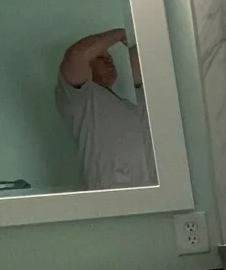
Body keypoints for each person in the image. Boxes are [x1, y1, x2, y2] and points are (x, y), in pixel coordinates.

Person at [54, 27, 156, 188]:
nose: (109, 60)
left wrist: (136, 39)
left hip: (150, 196)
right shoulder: (80, 99)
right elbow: (76, 55)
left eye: (110, 58)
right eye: (100, 56)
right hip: (111, 196)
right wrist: (122, 34)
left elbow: (144, 71)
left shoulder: (130, 108)